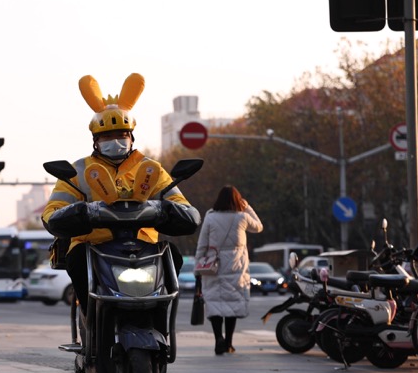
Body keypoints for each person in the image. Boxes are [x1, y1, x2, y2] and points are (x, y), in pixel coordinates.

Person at [42, 73, 201, 315]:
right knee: (75, 261)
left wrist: (173, 210)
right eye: (107, 136)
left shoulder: (151, 169)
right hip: (93, 246)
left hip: (144, 245)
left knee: (173, 255)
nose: (114, 141)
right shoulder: (77, 171)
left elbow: (179, 202)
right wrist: (77, 212)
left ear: (131, 137)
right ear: (95, 140)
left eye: (121, 135)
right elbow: (51, 212)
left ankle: (160, 317)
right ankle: (91, 320)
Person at [195, 185, 264, 355]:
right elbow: (259, 227)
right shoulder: (242, 217)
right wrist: (247, 207)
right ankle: (229, 343)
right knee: (232, 306)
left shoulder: (210, 218)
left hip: (214, 268)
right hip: (236, 268)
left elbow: (202, 245)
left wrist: (198, 269)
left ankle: (218, 338)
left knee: (215, 305)